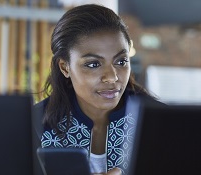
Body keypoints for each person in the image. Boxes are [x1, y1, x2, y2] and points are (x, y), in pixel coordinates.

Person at [33, 4, 159, 175]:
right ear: (65, 67)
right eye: (93, 64)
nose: (112, 77)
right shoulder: (35, 126)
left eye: (121, 61)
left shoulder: (159, 122)